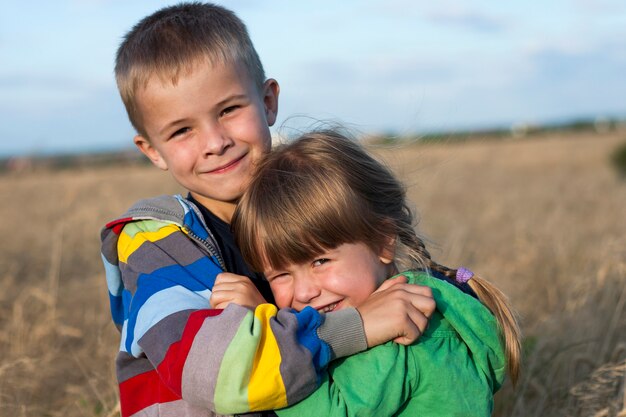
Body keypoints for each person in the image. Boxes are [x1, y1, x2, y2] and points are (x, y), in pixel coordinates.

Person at [100, 3, 436, 417]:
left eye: (229, 110)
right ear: (152, 151)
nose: (215, 141)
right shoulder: (154, 243)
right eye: (182, 130)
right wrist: (359, 326)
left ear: (268, 100)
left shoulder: (297, 201)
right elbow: (224, 376)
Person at [231, 129, 522, 416]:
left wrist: (267, 336)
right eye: (280, 275)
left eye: (320, 261)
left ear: (383, 241)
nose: (305, 291)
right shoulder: (426, 300)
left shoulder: (402, 335)